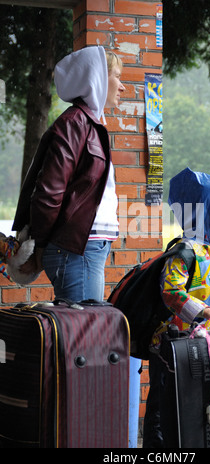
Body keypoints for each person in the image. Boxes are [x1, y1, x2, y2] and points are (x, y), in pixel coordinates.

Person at [12, 46, 125, 302]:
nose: (122, 86)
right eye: (117, 76)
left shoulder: (92, 124)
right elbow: (49, 192)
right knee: (83, 335)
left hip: (87, 248)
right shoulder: (75, 123)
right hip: (77, 249)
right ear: (97, 78)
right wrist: (39, 245)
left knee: (84, 332)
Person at [143, 167, 210, 448]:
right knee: (164, 406)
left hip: (201, 344)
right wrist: (207, 313)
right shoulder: (184, 252)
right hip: (172, 345)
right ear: (206, 209)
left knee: (195, 403)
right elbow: (171, 292)